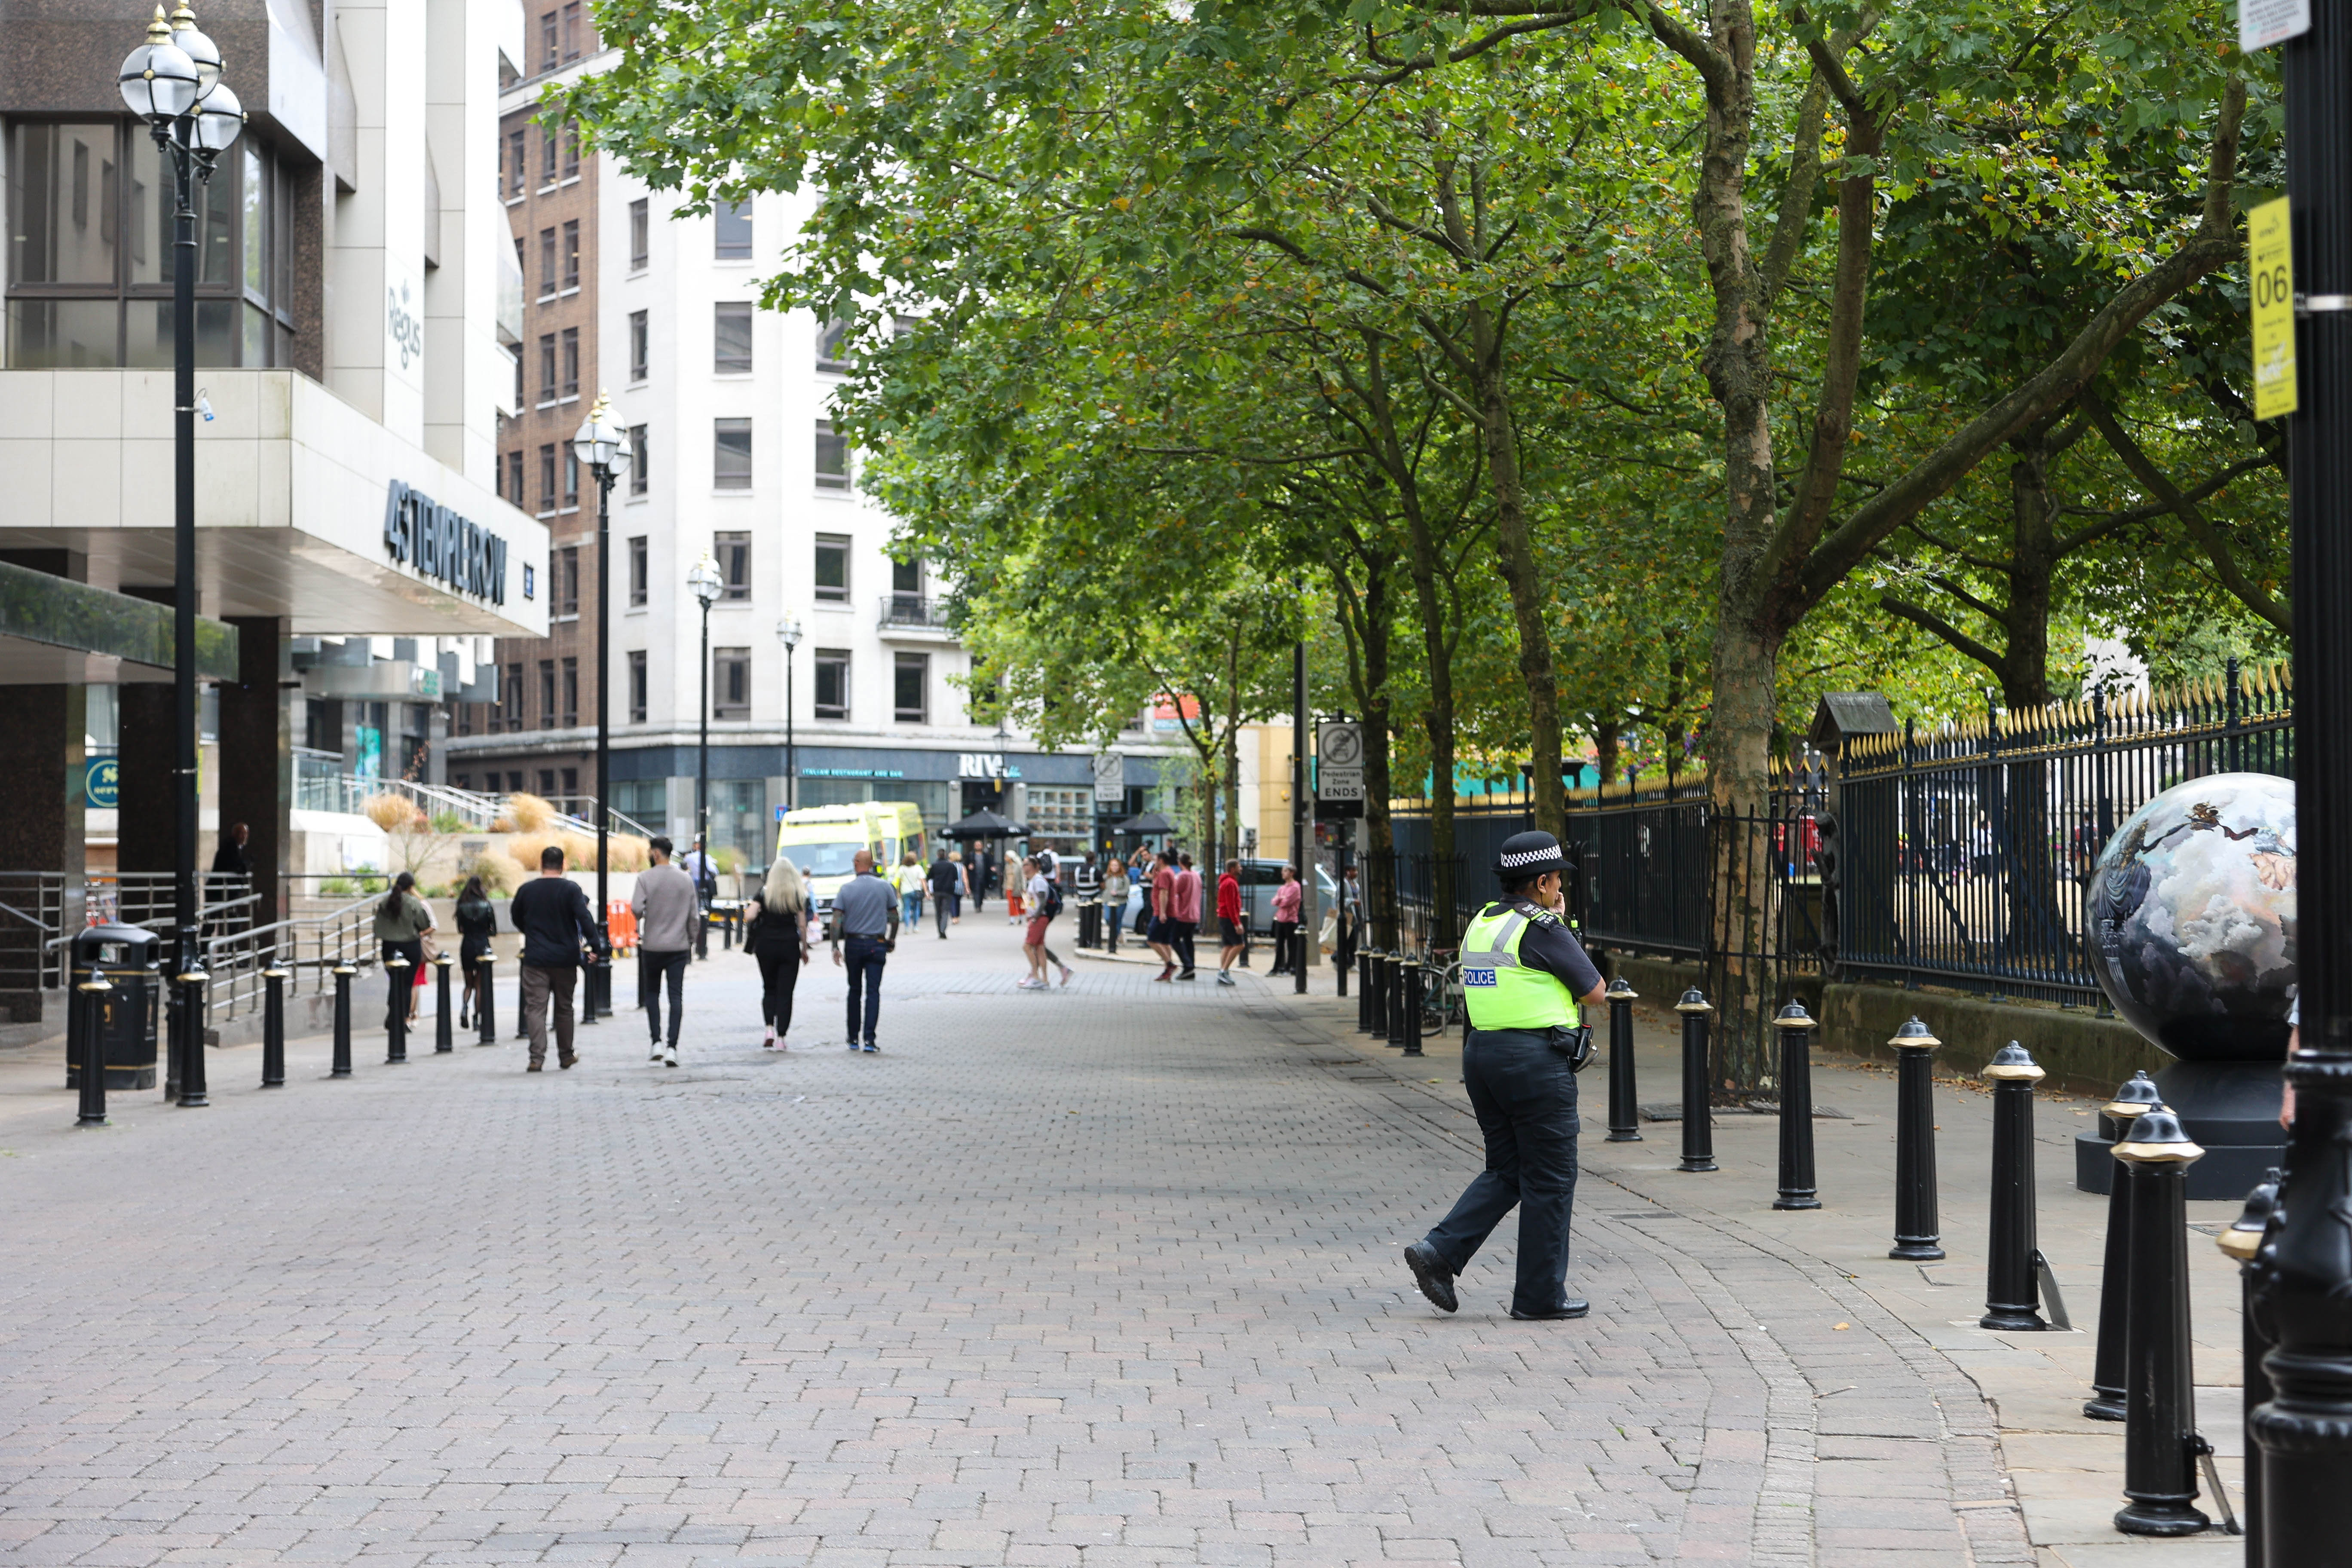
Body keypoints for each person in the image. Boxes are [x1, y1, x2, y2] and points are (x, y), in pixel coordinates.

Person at [1403, 830, 1608, 1322]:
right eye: (1557, 879)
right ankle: (1539, 1296)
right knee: (1552, 1178)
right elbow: (1595, 991)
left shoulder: (1483, 920)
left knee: (1508, 1170)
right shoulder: (1542, 925)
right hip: (1535, 1064)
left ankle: (1440, 1254)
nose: (1561, 887)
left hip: (1483, 1057)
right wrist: (1561, 925)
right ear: (1540, 881)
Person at [510, 844, 600, 1071]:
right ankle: (566, 1055)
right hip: (565, 958)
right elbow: (584, 917)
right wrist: (596, 945)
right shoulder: (571, 889)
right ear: (563, 865)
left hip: (536, 958)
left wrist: (531, 931)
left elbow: (516, 917)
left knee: (535, 1009)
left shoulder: (526, 890)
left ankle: (536, 1058)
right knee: (564, 1008)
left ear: (542, 864)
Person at [631, 835, 698, 1067]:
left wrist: (650, 910)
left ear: (656, 853)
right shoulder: (685, 879)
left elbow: (636, 909)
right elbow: (694, 916)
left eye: (651, 852)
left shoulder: (645, 878)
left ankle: (656, 1042)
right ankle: (672, 1048)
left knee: (652, 994)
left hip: (653, 946)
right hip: (678, 946)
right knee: (676, 997)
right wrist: (690, 939)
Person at [830, 848, 899, 1051]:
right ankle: (869, 1040)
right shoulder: (885, 887)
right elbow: (894, 916)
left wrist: (835, 946)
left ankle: (853, 1038)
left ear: (857, 863)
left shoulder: (846, 889)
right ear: (871, 864)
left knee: (854, 991)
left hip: (853, 944)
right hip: (876, 944)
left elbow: (836, 921)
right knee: (873, 992)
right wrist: (891, 939)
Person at [747, 855, 812, 1048]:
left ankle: (769, 1028)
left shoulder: (764, 892)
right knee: (786, 992)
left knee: (769, 987)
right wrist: (805, 948)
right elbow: (802, 925)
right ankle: (782, 1038)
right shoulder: (798, 894)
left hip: (765, 945)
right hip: (789, 945)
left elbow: (749, 916)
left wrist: (760, 913)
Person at [371, 871, 436, 1029]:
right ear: (411, 886)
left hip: (389, 946)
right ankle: (402, 1019)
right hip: (410, 946)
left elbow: (378, 926)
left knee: (395, 982)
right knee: (407, 984)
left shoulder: (385, 902)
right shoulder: (414, 903)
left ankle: (392, 1014)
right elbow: (424, 924)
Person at [453, 875, 497, 1031]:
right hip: (482, 946)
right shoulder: (486, 905)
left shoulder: (462, 905)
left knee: (468, 984)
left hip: (467, 945)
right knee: (479, 985)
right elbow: (494, 931)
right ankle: (476, 1019)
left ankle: (465, 1008)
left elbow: (460, 929)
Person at [679, 839, 718, 956]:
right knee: (705, 908)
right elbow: (714, 871)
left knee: (694, 906)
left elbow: (680, 867)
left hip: (692, 883)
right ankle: (703, 927)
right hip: (704, 883)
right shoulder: (706, 857)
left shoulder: (689, 857)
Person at [1148, 848, 1179, 981]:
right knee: (1166, 941)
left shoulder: (1165, 874)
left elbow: (1164, 893)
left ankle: (1169, 964)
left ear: (1161, 861)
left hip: (1164, 912)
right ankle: (1168, 971)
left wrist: (1162, 913)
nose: (1154, 862)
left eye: (1156, 860)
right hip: (1170, 912)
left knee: (1152, 939)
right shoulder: (1167, 872)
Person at [1215, 858, 1246, 987]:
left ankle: (1223, 971)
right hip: (1228, 918)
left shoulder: (1228, 882)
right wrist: (1237, 923)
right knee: (1240, 945)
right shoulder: (1230, 883)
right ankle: (1223, 971)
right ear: (1233, 869)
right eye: (1239, 867)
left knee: (1228, 946)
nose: (1241, 869)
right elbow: (1231, 905)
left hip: (1224, 917)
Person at [1171, 851, 1202, 980]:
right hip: (1194, 914)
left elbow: (1174, 891)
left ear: (1180, 863)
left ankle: (1188, 965)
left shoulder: (1183, 876)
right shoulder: (1196, 875)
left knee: (1174, 939)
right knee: (1189, 940)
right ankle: (1191, 968)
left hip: (1183, 913)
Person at [1270, 863, 1303, 977]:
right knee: (1279, 945)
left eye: (1285, 871)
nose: (1282, 873)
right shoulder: (1282, 888)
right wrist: (1280, 899)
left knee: (1291, 945)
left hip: (1291, 920)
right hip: (1280, 919)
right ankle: (1276, 968)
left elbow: (1286, 902)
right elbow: (1274, 902)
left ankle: (1288, 968)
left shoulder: (1295, 887)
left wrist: (1281, 899)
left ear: (1292, 873)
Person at [927, 847, 960, 937]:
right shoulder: (951, 866)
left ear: (938, 855)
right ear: (945, 855)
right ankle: (943, 928)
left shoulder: (934, 865)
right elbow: (956, 878)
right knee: (945, 911)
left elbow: (929, 877)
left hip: (937, 891)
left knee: (938, 912)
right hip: (948, 891)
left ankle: (940, 931)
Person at [894, 851, 926, 928]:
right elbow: (923, 881)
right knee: (916, 909)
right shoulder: (918, 868)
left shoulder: (902, 869)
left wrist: (898, 892)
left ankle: (907, 927)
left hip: (905, 891)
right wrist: (926, 892)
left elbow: (898, 882)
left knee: (906, 909)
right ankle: (915, 926)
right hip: (916, 891)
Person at [1103, 857, 1128, 952]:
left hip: (1120, 902)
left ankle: (1114, 939)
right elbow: (1103, 887)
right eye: (1113, 865)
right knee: (1108, 918)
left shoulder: (1124, 878)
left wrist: (1118, 893)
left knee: (1117, 921)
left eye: (1116, 865)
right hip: (1108, 901)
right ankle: (1117, 935)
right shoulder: (1106, 877)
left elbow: (1127, 890)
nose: (1114, 867)